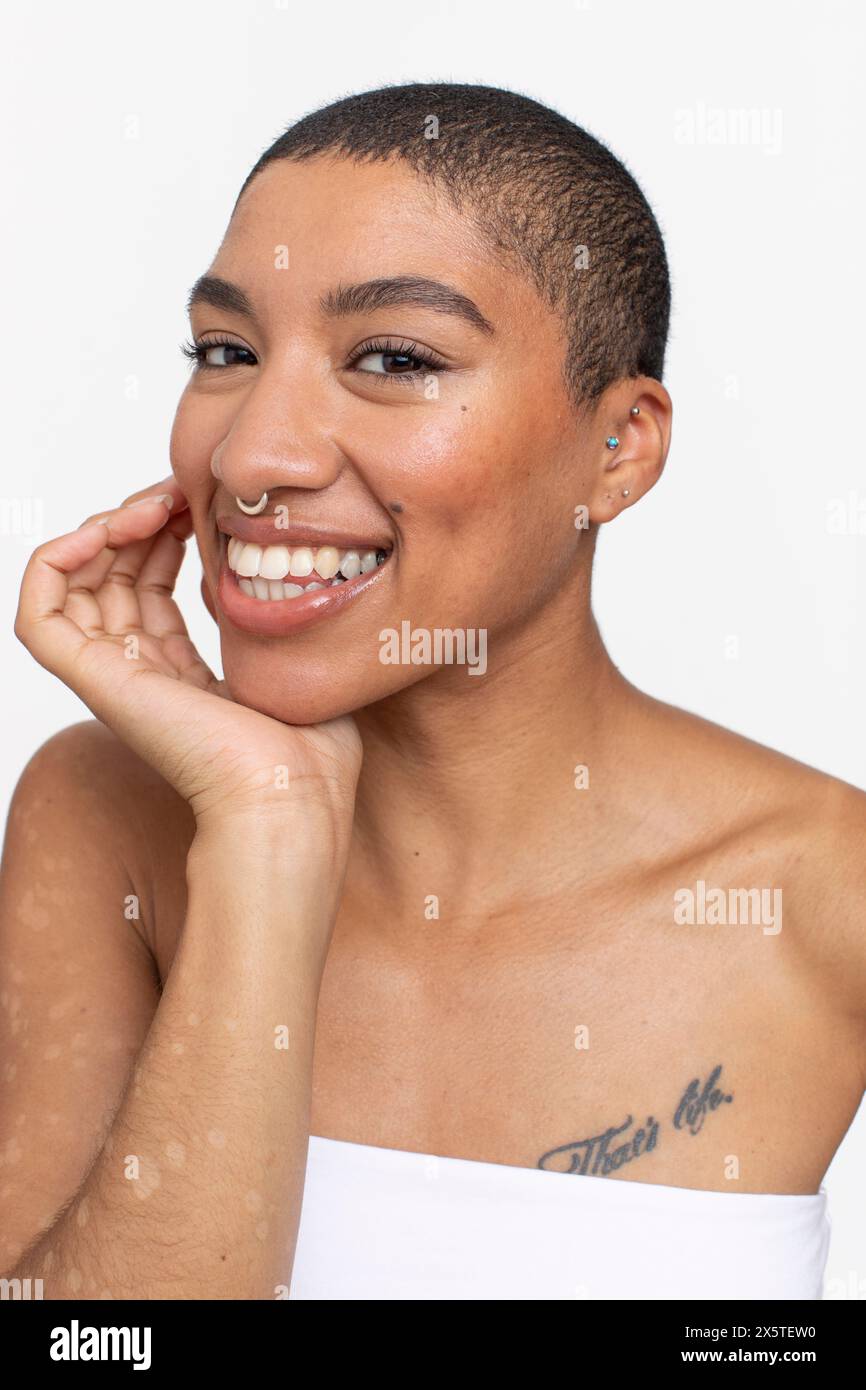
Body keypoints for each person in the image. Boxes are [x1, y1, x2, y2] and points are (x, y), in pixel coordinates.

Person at [2, 82, 863, 1301]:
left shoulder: (828, 891)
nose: (252, 457)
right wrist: (263, 838)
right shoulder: (105, 815)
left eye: (394, 359)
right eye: (225, 352)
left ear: (615, 448)